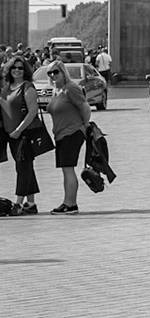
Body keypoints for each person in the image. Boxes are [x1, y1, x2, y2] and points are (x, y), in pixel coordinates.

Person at [42, 61, 91, 215]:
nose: (53, 75)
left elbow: (85, 107)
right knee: (66, 170)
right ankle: (67, 202)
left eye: (55, 72)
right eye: (49, 73)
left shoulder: (71, 88)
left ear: (63, 72)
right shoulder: (57, 90)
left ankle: (71, 204)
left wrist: (84, 125)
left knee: (69, 169)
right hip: (61, 135)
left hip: (72, 133)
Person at [2, 57, 42, 214]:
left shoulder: (27, 87)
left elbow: (32, 112)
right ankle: (31, 204)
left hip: (24, 134)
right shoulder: (7, 87)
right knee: (26, 168)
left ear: (25, 70)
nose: (17, 70)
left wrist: (18, 130)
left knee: (23, 168)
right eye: (14, 68)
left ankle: (18, 203)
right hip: (10, 135)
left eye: (20, 68)